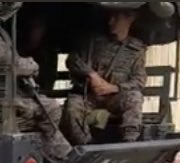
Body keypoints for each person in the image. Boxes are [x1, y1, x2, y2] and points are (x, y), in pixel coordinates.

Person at [0, 2, 73, 163]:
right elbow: (9, 63)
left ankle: (58, 156)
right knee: (47, 109)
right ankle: (58, 157)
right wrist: (32, 65)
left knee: (49, 107)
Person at [61, 8, 147, 144]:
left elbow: (139, 81)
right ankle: (86, 145)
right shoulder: (92, 42)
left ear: (129, 19)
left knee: (134, 98)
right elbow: (73, 60)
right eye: (109, 17)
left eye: (115, 18)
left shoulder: (136, 49)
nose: (110, 22)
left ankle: (129, 142)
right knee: (72, 107)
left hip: (114, 98)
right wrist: (92, 75)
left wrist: (114, 88)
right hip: (89, 96)